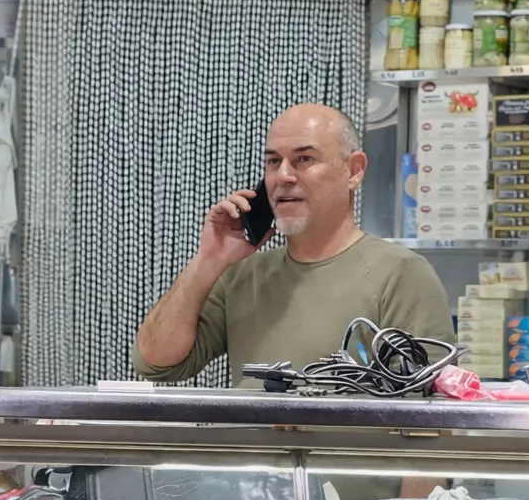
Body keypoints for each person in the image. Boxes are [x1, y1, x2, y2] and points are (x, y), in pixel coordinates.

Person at [133, 103, 455, 387]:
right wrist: (209, 260)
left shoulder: (401, 274)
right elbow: (157, 363)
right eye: (273, 162)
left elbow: (426, 411)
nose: (283, 176)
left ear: (354, 171)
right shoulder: (244, 275)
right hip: (251, 455)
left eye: (304, 159)